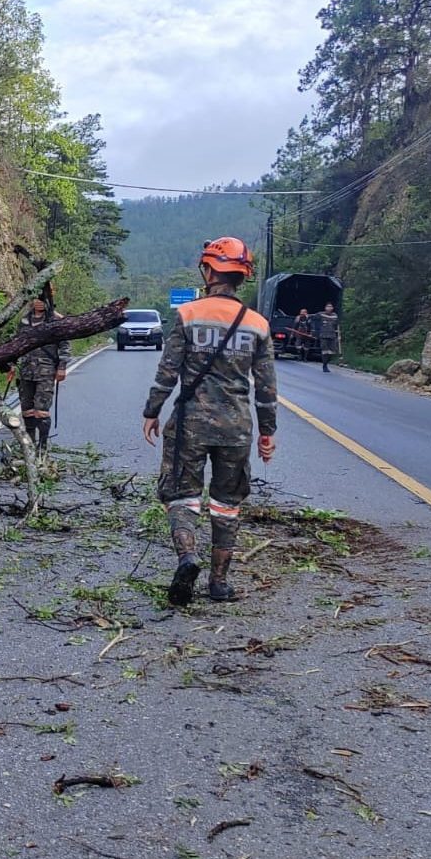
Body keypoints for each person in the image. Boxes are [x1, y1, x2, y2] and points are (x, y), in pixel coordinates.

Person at [142, 237, 277, 606]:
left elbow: (167, 372)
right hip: (236, 428)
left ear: (207, 270)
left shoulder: (188, 315)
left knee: (182, 496)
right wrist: (267, 433)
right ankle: (219, 583)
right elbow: (266, 390)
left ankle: (188, 557)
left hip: (190, 425)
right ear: (241, 276)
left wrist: (152, 410)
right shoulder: (258, 324)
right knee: (227, 503)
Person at [6, 291, 69, 453]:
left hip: (46, 371)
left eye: (43, 299)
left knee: (41, 410)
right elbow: (17, 344)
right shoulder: (24, 321)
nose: (39, 302)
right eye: (36, 299)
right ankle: (30, 445)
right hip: (25, 371)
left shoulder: (55, 321)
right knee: (27, 410)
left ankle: (43, 446)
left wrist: (62, 367)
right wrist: (11, 365)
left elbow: (64, 345)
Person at [316, 302, 341, 372]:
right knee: (325, 351)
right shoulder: (321, 314)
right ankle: (324, 366)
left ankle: (327, 362)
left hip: (332, 335)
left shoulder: (335, 315)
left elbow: (337, 325)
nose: (329, 308)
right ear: (325, 308)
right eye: (328, 306)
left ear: (332, 308)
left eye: (330, 307)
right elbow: (312, 317)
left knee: (332, 352)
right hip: (323, 335)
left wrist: (338, 335)